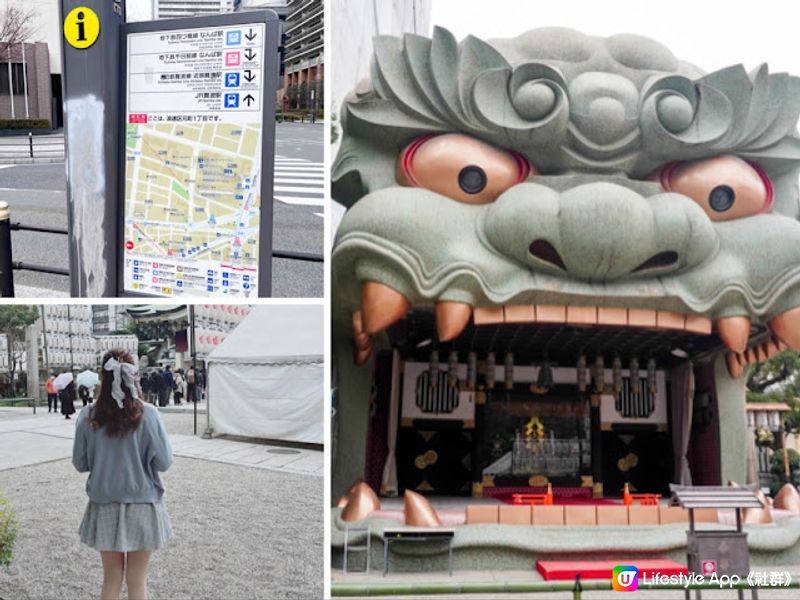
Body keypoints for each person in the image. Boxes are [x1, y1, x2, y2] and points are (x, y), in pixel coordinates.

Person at [72, 349, 173, 600]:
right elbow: (164, 462)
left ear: (102, 377)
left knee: (111, 579)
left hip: (104, 504)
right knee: (138, 582)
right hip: (143, 505)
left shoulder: (88, 415)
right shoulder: (149, 414)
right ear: (134, 376)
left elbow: (80, 463)